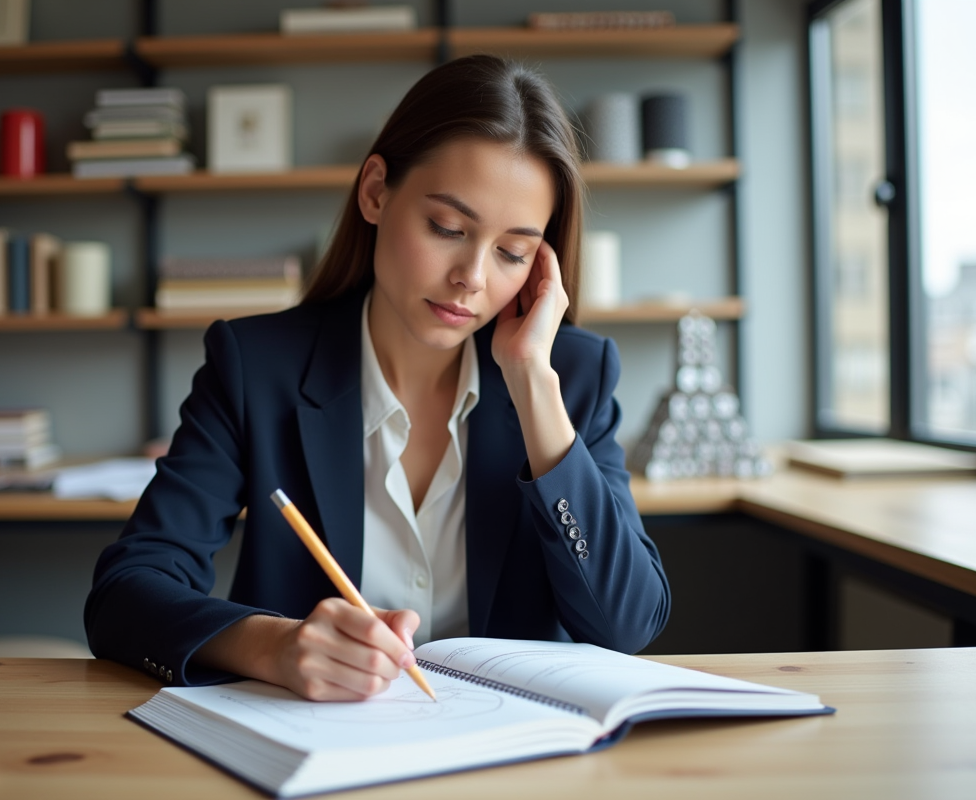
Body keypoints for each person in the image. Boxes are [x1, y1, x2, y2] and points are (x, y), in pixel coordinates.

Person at [85, 54, 670, 700]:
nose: (473, 278)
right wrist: (273, 645)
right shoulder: (256, 367)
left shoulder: (572, 377)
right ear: (374, 192)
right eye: (447, 227)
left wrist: (533, 382)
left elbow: (627, 622)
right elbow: (126, 592)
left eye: (512, 252)